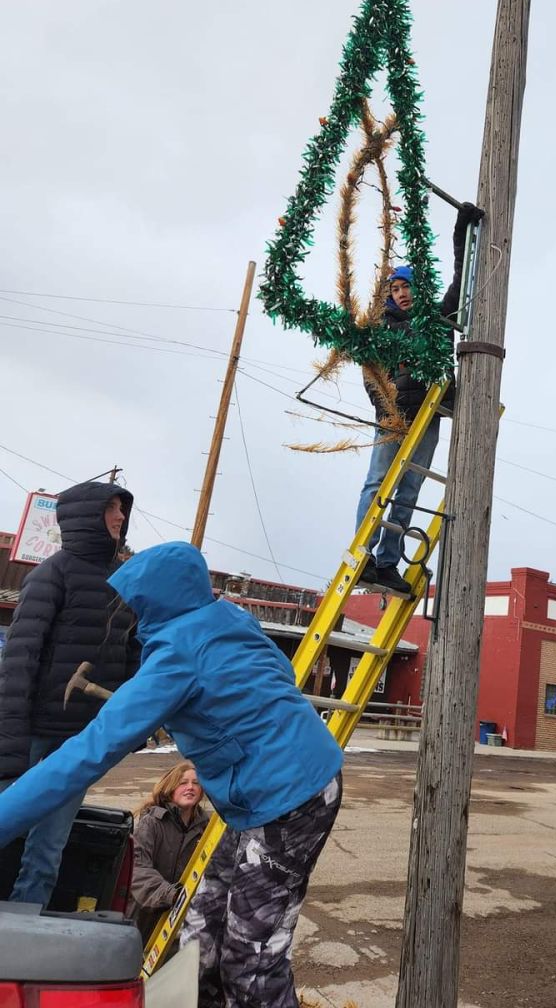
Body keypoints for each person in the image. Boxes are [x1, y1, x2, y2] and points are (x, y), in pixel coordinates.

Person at [0, 540, 343, 1008]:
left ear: (152, 600)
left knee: (251, 959)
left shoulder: (174, 658)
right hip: (261, 793)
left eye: (134, 601)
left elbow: (84, 754)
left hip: (293, 798)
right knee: (200, 933)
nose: (128, 612)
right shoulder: (225, 616)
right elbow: (279, 670)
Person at [0, 479, 138, 907]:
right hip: (35, 731)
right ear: (84, 516)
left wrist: (135, 713)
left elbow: (132, 652)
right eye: (111, 508)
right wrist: (9, 747)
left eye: (121, 509)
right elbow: (19, 662)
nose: (120, 517)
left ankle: (24, 932)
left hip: (80, 739)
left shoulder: (126, 582)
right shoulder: (51, 575)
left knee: (48, 849)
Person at [356, 201, 481, 598]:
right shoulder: (382, 327)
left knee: (409, 489)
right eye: (395, 288)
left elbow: (463, 281)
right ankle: (364, 556)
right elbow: (371, 373)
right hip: (394, 415)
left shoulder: (436, 317)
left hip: (429, 415)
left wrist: (462, 231)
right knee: (380, 482)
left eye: (406, 285)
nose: (402, 293)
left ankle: (390, 561)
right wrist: (384, 408)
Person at [128, 760, 209, 945]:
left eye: (196, 783)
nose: (190, 787)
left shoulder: (206, 829)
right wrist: (171, 895)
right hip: (141, 917)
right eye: (183, 783)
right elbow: (137, 869)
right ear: (170, 787)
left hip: (179, 923)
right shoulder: (151, 823)